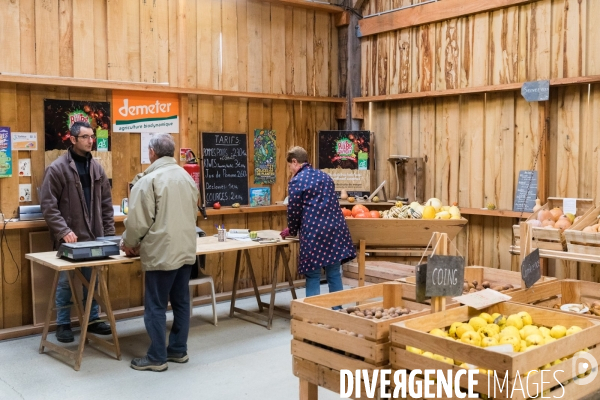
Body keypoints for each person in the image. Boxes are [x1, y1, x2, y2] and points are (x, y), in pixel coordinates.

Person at [121, 133, 199, 372]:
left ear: (152, 153)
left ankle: (156, 357)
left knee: (155, 305)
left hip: (160, 253)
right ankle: (178, 350)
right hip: (185, 250)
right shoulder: (187, 178)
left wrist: (129, 243)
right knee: (181, 302)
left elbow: (137, 223)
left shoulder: (149, 180)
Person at [40, 121, 114, 343]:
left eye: (92, 136)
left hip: (95, 237)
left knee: (93, 281)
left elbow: (106, 205)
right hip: (70, 239)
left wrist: (109, 233)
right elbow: (48, 204)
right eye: (85, 137)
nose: (91, 140)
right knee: (65, 283)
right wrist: (63, 230)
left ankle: (92, 320)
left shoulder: (97, 168)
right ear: (72, 140)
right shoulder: (57, 168)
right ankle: (62, 323)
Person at [281, 146, 356, 298]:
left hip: (314, 233)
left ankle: (314, 317)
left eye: (289, 166)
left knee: (313, 274)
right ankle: (338, 311)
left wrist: (291, 230)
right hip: (335, 229)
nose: (290, 170)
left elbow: (294, 211)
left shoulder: (297, 181)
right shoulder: (325, 176)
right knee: (334, 273)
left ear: (295, 162)